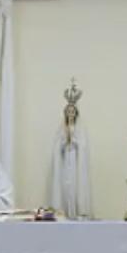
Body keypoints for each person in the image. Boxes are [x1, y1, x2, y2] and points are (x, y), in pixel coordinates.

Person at [51, 79, 93, 220]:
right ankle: (65, 212)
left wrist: (74, 140)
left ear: (76, 113)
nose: (70, 113)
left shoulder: (80, 130)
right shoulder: (61, 129)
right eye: (68, 111)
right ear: (66, 113)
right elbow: (57, 147)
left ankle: (77, 212)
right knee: (65, 187)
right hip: (65, 162)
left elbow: (83, 146)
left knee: (75, 188)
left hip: (75, 162)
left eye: (72, 111)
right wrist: (64, 142)